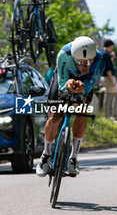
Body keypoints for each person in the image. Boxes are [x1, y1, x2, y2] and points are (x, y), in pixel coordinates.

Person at [36, 36, 105, 177]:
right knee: (55, 116)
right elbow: (62, 84)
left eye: (88, 62)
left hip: (85, 81)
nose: (85, 66)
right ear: (74, 57)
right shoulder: (64, 55)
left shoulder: (99, 61)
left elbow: (90, 84)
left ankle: (73, 158)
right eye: (80, 62)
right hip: (64, 77)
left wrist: (82, 88)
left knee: (81, 112)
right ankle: (46, 155)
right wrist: (67, 85)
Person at [101, 39, 117, 118]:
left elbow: (108, 64)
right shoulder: (106, 54)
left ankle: (112, 115)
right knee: (109, 96)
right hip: (108, 77)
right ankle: (108, 116)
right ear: (110, 46)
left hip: (106, 77)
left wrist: (113, 58)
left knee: (115, 95)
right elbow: (108, 69)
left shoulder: (104, 53)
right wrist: (112, 80)